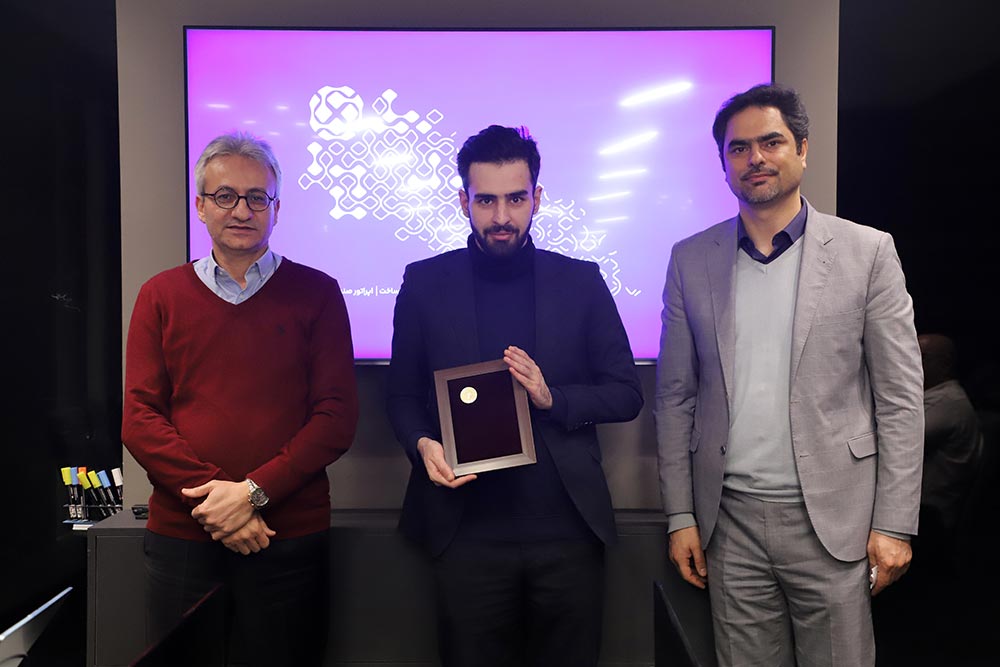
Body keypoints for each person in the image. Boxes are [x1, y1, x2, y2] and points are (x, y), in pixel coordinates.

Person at [654, 84, 923, 666]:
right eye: (738, 148)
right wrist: (680, 515)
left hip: (834, 521)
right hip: (728, 524)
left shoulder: (867, 253)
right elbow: (675, 398)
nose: (755, 158)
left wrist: (895, 524)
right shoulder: (690, 260)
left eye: (771, 142)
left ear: (802, 148)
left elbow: (901, 400)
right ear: (723, 163)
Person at [386, 125, 643, 667]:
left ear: (537, 198)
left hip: (567, 532)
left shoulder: (580, 281)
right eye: (486, 200)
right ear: (464, 202)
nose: (501, 216)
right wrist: (422, 444)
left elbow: (626, 393)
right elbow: (402, 394)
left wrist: (553, 398)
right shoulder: (425, 283)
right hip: (464, 531)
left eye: (515, 199)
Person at [122, 131, 359, 666]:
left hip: (287, 536)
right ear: (201, 206)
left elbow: (336, 417)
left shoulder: (318, 293)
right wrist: (219, 505)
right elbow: (140, 419)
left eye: (257, 197)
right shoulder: (160, 295)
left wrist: (252, 494)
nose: (242, 210)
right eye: (225, 195)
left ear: (276, 209)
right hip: (185, 537)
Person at [918, 333, 982, 542]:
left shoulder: (948, 403)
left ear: (944, 364)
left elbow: (896, 444)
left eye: (921, 356)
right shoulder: (935, 397)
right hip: (919, 510)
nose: (912, 361)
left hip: (929, 517)